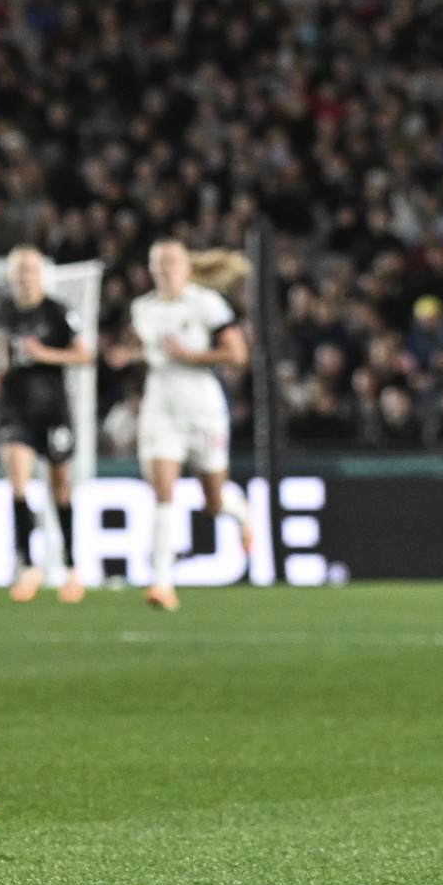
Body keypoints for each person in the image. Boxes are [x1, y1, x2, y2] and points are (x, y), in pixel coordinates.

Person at [129, 241, 253, 611]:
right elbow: (155, 354)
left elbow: (237, 355)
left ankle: (239, 511)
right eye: (158, 262)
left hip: (202, 410)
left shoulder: (206, 304)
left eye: (171, 262)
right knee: (162, 494)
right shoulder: (142, 308)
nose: (165, 269)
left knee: (212, 502)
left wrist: (190, 356)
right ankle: (162, 583)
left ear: (186, 267)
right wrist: (129, 356)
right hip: (160, 409)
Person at [0, 246, 93, 603]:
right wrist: (0, 374)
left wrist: (44, 354)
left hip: (52, 410)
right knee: (17, 482)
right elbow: (4, 353)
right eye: (20, 270)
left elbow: (84, 354)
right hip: (16, 409)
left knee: (59, 487)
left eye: (31, 270)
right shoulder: (5, 312)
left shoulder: (57, 311)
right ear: (12, 275)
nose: (26, 277)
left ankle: (71, 567)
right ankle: (28, 566)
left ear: (41, 275)